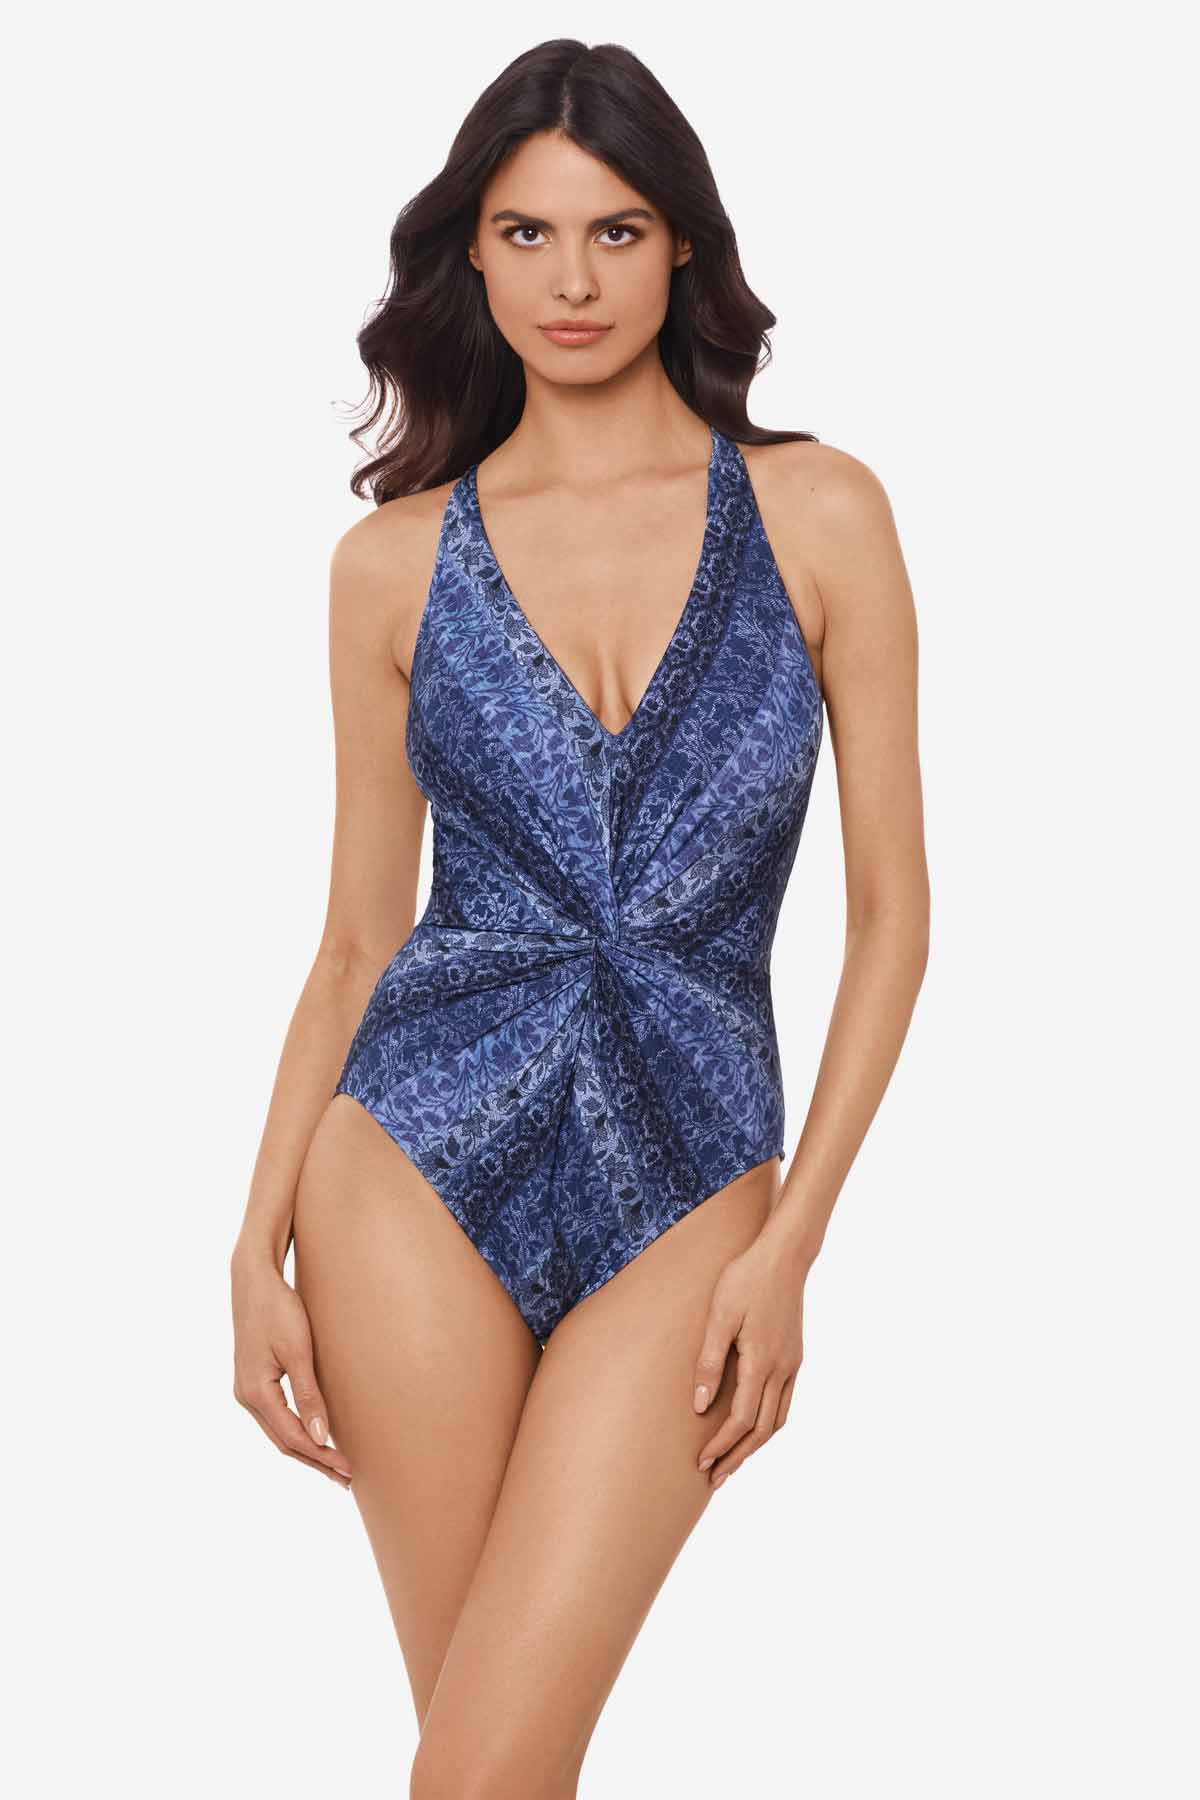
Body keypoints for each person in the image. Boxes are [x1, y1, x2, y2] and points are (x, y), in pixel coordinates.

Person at [230, 38, 929, 1797]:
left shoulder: (821, 512)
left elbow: (893, 918)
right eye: (526, 234)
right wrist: (253, 1243)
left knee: (483, 1774)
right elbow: (355, 939)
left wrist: (794, 1243)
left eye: (615, 231)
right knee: (489, 1774)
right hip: (407, 1162)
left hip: (696, 1178)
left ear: (681, 241)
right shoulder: (393, 562)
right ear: (471, 252)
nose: (572, 280)